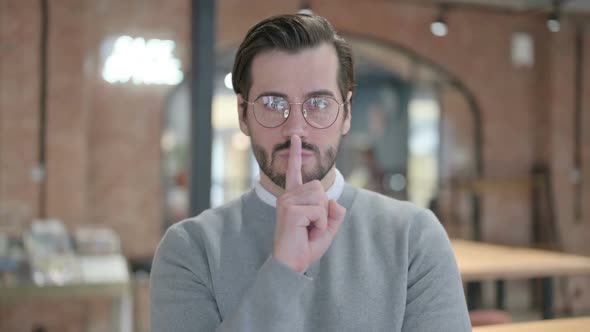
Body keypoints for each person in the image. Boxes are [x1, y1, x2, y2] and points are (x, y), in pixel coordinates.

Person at [150, 13, 471, 331]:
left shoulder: (414, 237)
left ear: (346, 113)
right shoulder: (191, 249)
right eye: (273, 104)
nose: (296, 129)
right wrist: (283, 270)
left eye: (318, 103)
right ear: (243, 114)